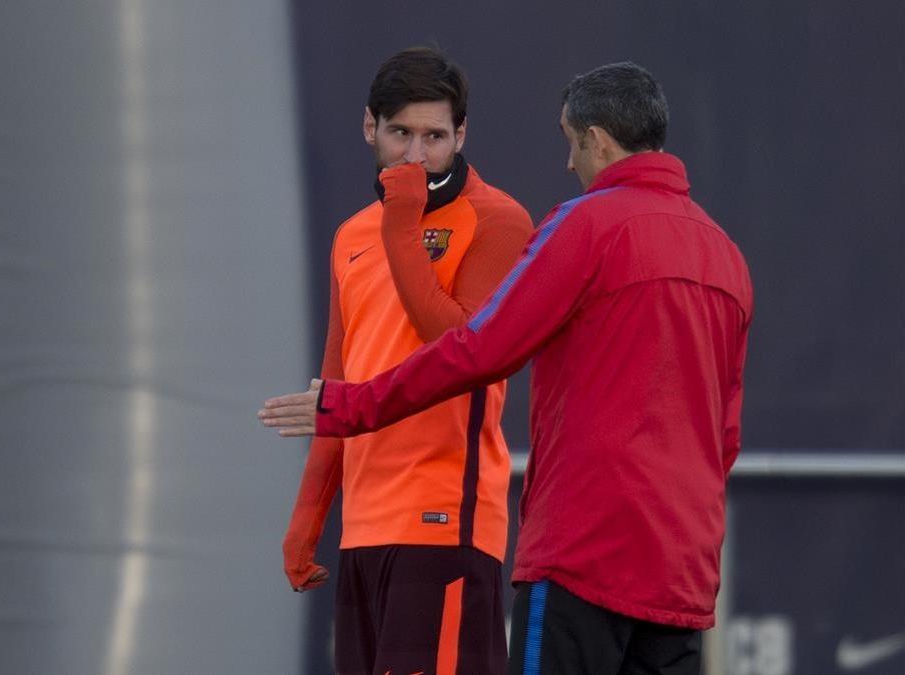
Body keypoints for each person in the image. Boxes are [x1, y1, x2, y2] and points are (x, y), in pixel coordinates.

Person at [261, 61, 752, 675]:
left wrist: (351, 405)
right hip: (681, 567)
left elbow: (476, 349)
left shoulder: (584, 225)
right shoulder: (727, 257)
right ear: (371, 127)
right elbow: (726, 435)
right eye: (400, 132)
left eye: (572, 144)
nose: (570, 164)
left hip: (580, 552)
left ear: (596, 140)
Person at [280, 46, 533, 675]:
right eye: (400, 134)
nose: (416, 157)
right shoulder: (351, 234)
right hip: (363, 530)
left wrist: (402, 218)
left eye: (434, 137)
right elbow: (337, 386)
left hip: (446, 521)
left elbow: (460, 351)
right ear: (370, 127)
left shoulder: (498, 220)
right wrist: (307, 520)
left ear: (462, 135)